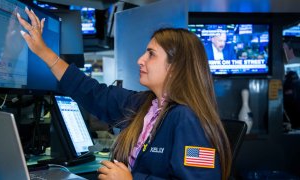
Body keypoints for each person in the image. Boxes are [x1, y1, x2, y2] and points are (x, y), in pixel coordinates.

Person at [17, 7, 232, 180]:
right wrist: (42, 51)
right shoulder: (145, 105)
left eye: (151, 54)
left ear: (175, 67)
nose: (140, 60)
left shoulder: (189, 120)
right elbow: (92, 92)